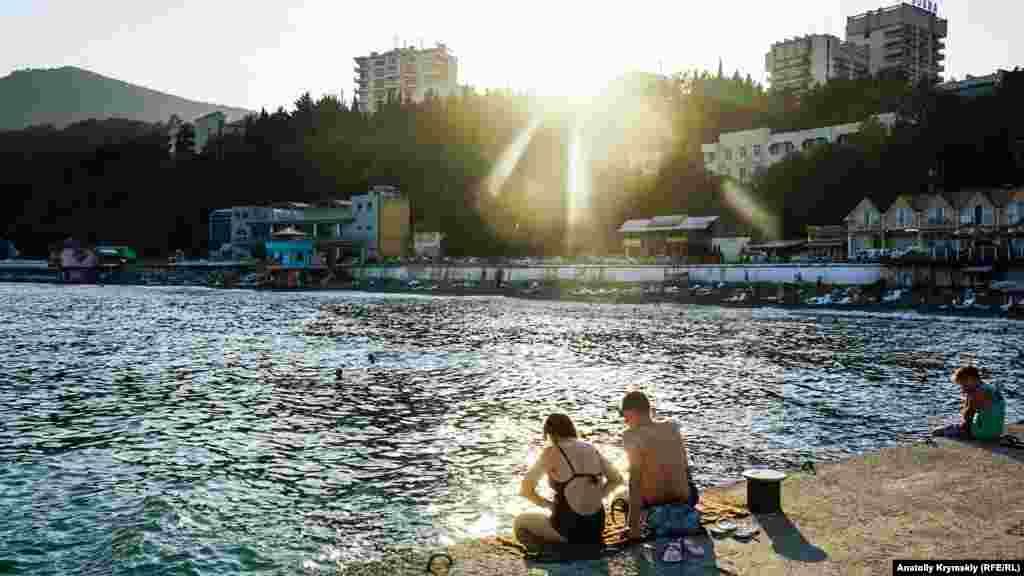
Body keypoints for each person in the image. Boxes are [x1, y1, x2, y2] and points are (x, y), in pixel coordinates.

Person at [515, 413, 624, 545]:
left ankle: (546, 553)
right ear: (571, 429)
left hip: (568, 530)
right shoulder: (591, 448)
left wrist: (549, 505)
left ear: (549, 434)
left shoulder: (550, 452)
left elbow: (526, 490)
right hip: (596, 526)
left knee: (520, 522)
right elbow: (617, 479)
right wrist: (598, 497)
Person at [620, 391, 701, 545]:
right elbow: (685, 467)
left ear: (632, 412)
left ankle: (644, 520)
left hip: (655, 504)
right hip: (686, 499)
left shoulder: (630, 435)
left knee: (623, 499)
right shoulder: (672, 427)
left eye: (625, 416)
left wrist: (633, 527)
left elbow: (635, 481)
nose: (625, 421)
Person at [933, 366, 1006, 441]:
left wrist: (968, 398)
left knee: (936, 431)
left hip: (981, 433)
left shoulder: (977, 393)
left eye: (963, 385)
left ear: (971, 379)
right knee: (953, 423)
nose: (963, 389)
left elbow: (968, 418)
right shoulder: (990, 388)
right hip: (996, 432)